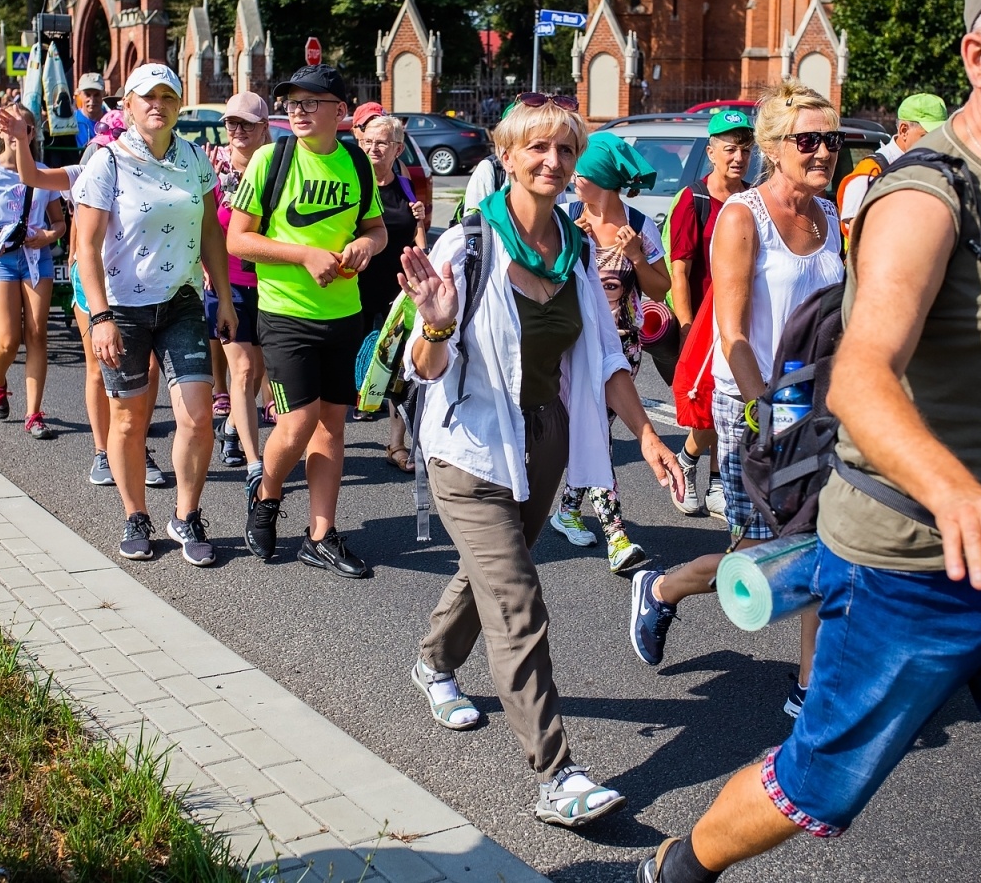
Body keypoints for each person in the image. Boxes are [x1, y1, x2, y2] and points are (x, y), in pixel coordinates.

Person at [637, 0, 981, 883]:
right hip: (915, 561)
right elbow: (861, 375)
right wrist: (960, 499)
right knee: (820, 784)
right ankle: (680, 866)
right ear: (976, 59)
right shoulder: (927, 194)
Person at [397, 94, 683, 827]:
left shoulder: (578, 245)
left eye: (564, 150)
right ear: (506, 155)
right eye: (536, 149)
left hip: (545, 437)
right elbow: (424, 367)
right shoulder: (470, 246)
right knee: (518, 600)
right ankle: (559, 776)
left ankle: (432, 661)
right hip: (470, 447)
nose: (552, 162)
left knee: (496, 571)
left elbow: (606, 357)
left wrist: (647, 436)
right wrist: (435, 324)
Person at [629, 85, 842, 719]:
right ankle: (661, 588)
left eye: (832, 139)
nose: (824, 150)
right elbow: (734, 333)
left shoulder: (830, 217)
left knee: (827, 543)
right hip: (752, 404)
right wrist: (769, 409)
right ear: (776, 148)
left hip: (820, 407)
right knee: (754, 554)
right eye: (808, 140)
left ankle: (809, 685)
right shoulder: (742, 216)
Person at [226, 65, 387, 577]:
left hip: (344, 314)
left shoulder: (357, 165)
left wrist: (365, 245)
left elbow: (377, 229)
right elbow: (239, 240)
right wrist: (302, 256)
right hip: (285, 314)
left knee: (332, 429)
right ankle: (267, 495)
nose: (297, 109)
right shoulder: (272, 159)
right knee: (296, 422)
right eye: (291, 102)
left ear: (339, 112)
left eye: (310, 101)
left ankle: (321, 535)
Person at [73, 63, 235, 567]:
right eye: (147, 96)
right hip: (122, 307)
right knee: (129, 419)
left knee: (197, 414)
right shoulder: (108, 162)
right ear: (128, 106)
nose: (157, 105)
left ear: (178, 107)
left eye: (167, 96)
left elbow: (211, 231)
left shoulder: (193, 158)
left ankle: (185, 515)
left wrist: (224, 298)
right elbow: (86, 246)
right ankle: (135, 514)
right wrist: (99, 317)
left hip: (182, 301)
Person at [0, 105, 166, 488]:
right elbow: (33, 176)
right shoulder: (86, 171)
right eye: (104, 144)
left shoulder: (148, 169)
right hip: (93, 281)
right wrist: (20, 140)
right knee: (98, 366)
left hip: (140, 283)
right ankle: (102, 453)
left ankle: (136, 445)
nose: (111, 150)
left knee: (149, 368)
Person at [546, 133, 667, 572]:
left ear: (601, 179)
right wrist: (566, 247)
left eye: (581, 172)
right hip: (572, 348)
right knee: (592, 432)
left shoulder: (639, 224)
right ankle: (616, 535)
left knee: (592, 432)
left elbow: (661, 287)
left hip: (622, 351)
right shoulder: (565, 218)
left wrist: (636, 256)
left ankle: (567, 510)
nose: (572, 177)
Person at [666, 108, 754, 518]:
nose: (738, 158)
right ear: (712, 152)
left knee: (731, 404)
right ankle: (686, 460)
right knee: (707, 405)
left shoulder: (753, 199)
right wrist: (685, 326)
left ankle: (717, 480)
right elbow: (679, 270)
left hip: (739, 318)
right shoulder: (694, 199)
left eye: (745, 149)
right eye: (731, 149)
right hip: (702, 321)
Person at [0, 106, 66, 440]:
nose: (13, 133)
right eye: (7, 127)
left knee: (38, 334)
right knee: (9, 340)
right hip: (1, 257)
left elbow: (59, 224)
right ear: (0, 133)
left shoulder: (43, 173)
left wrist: (47, 237)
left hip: (37, 256)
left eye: (20, 127)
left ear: (31, 133)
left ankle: (34, 413)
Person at [206, 92, 273, 516]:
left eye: (247, 123)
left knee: (258, 370)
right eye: (232, 122)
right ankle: (255, 464)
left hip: (270, 283)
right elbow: (201, 219)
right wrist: (206, 268)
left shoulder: (278, 167)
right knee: (244, 370)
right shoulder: (212, 166)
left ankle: (232, 426)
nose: (238, 130)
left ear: (264, 126)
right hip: (226, 283)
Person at [353, 112, 427, 462]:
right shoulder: (353, 180)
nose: (373, 148)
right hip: (353, 284)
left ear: (398, 148)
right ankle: (331, 439)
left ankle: (396, 443)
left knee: (397, 361)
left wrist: (421, 223)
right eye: (367, 142)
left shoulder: (406, 185)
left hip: (396, 287)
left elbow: (418, 239)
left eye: (381, 143)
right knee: (348, 354)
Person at [835, 92, 947, 238]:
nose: (936, 143)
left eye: (939, 136)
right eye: (927, 136)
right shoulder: (870, 172)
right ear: (904, 130)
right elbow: (857, 232)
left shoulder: (934, 168)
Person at [75, 72, 107, 147]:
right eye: (87, 95)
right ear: (80, 95)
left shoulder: (112, 122)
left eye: (96, 95)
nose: (92, 100)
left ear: (104, 94)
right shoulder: (71, 122)